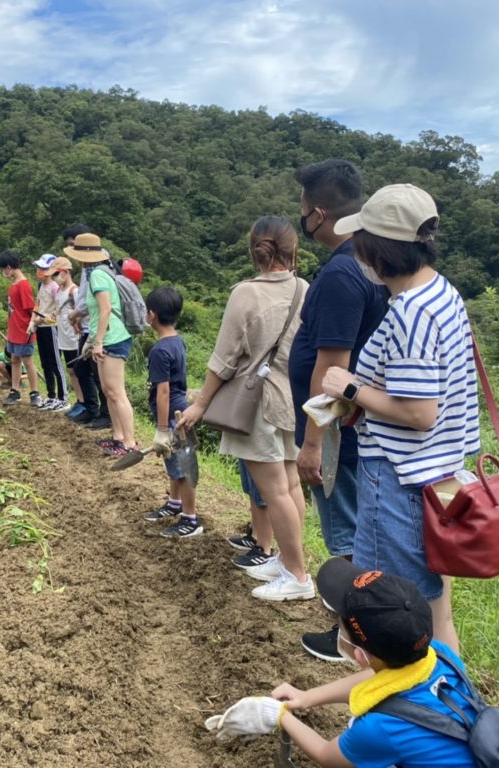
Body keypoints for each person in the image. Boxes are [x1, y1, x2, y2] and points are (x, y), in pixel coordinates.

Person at [321, 184, 479, 653]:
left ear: (378, 248)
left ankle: (405, 713)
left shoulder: (412, 313)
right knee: (432, 608)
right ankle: (451, 708)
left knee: (392, 611)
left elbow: (418, 412)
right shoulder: (439, 292)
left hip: (399, 480)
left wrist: (349, 388)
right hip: (438, 476)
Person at [205, 558, 477, 768]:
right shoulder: (440, 655)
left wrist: (279, 716)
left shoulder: (380, 728)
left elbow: (327, 755)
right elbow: (376, 680)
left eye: (340, 624)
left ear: (359, 654)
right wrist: (307, 697)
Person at [179, 216, 313, 601]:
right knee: (289, 485)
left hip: (259, 402)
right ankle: (289, 561)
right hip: (292, 400)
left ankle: (297, 576)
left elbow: (224, 357)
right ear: (292, 250)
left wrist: (200, 403)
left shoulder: (246, 293)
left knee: (275, 492)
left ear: (254, 251)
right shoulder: (305, 289)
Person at [289, 159, 389, 662]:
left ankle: (352, 636)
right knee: (358, 529)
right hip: (357, 427)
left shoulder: (340, 274)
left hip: (338, 435)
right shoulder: (370, 264)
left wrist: (312, 443)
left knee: (348, 535)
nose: (303, 220)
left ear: (319, 213)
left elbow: (331, 367)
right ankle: (361, 632)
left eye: (304, 211)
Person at [62, 233, 138, 456]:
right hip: (107, 337)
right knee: (107, 390)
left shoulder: (97, 275)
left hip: (113, 338)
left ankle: (129, 443)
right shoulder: (99, 271)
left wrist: (97, 342)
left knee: (116, 392)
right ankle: (117, 436)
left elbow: (105, 310)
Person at [142, 286, 201, 538]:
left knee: (184, 466)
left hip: (173, 416)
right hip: (180, 409)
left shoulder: (159, 351)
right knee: (173, 462)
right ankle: (175, 503)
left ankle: (190, 518)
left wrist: (162, 429)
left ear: (151, 315)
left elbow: (163, 391)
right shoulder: (177, 340)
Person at [63, 224, 110, 429]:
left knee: (98, 373)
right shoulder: (87, 267)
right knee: (83, 367)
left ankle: (104, 414)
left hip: (97, 328)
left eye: (73, 245)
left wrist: (76, 313)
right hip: (89, 325)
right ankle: (92, 409)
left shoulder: (97, 270)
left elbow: (97, 303)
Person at [0, 250, 42, 408]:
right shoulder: (13, 285)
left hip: (24, 330)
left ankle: (34, 393)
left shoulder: (23, 285)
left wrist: (32, 325)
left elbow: (31, 309)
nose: (3, 272)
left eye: (3, 269)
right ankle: (14, 391)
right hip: (13, 330)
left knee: (27, 362)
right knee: (14, 360)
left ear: (9, 267)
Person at [30, 254, 68, 411]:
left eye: (43, 268)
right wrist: (33, 321)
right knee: (45, 363)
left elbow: (58, 309)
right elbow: (38, 304)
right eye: (38, 268)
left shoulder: (54, 287)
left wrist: (45, 318)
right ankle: (51, 395)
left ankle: (63, 397)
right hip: (41, 328)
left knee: (55, 363)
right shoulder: (41, 286)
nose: (39, 271)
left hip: (52, 327)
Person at [50, 257, 84, 415]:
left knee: (79, 371)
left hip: (74, 338)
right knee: (71, 370)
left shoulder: (74, 291)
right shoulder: (59, 291)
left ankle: (84, 402)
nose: (55, 277)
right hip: (62, 336)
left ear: (65, 272)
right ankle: (79, 400)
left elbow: (81, 313)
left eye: (56, 273)